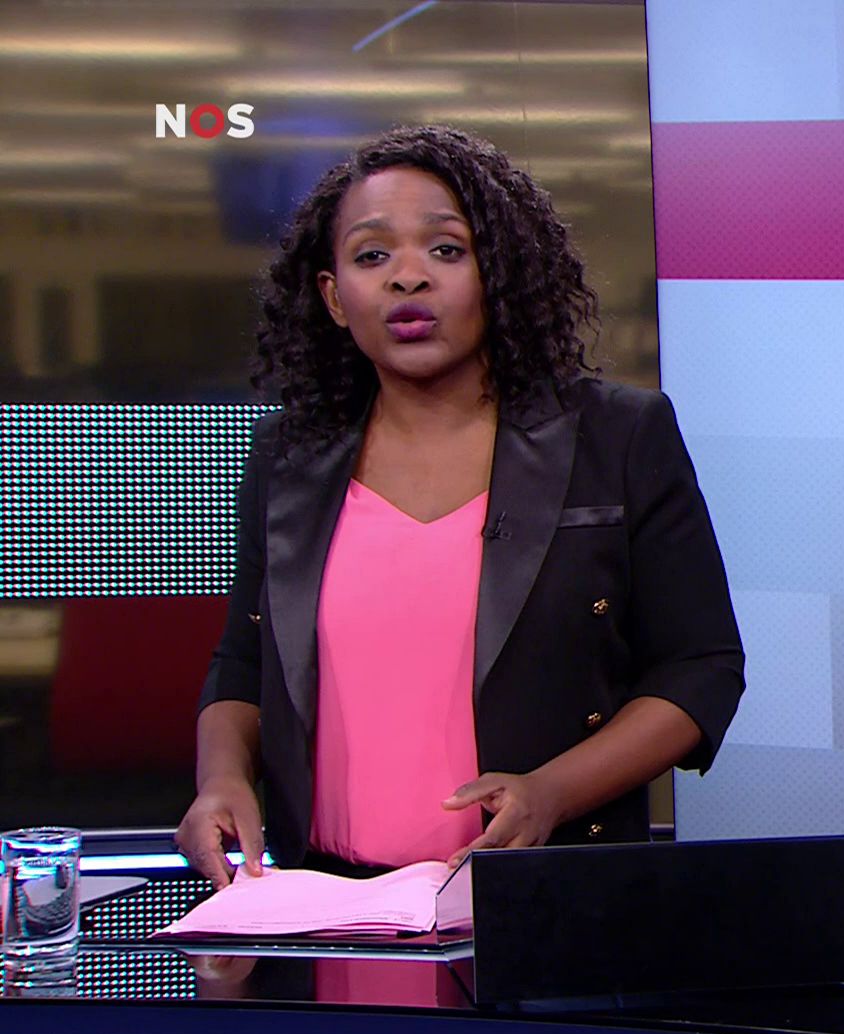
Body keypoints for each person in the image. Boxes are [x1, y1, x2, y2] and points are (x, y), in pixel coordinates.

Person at [174, 125, 744, 885]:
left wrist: (552, 792)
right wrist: (221, 780)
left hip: (549, 896)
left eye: (446, 250)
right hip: (326, 902)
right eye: (372, 256)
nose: (408, 279)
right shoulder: (288, 455)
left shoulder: (617, 435)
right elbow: (244, 665)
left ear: (496, 275)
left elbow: (700, 667)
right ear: (334, 298)